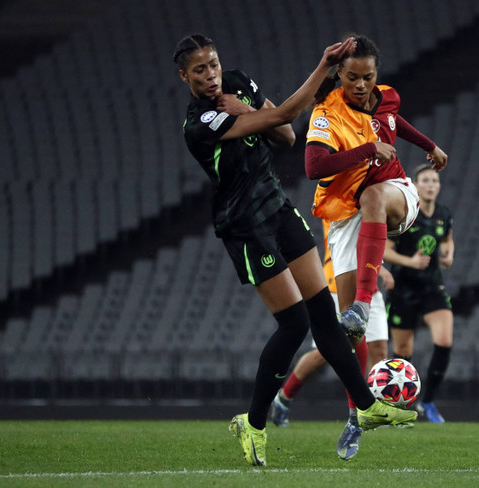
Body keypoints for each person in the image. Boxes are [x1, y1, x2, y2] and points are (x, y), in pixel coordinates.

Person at [173, 34, 416, 467]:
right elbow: (284, 114)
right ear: (184, 77)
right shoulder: (200, 122)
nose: (211, 76)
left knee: (323, 314)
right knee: (294, 323)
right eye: (199, 70)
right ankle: (254, 422)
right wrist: (323, 65)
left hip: (278, 208)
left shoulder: (239, 84)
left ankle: (365, 405)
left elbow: (285, 134)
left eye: (213, 65)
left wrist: (249, 108)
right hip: (245, 224)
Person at [303, 34, 448, 457]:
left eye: (368, 76)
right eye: (351, 77)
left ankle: (363, 304)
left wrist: (428, 146)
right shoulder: (327, 113)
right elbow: (314, 166)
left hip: (395, 193)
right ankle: (356, 415)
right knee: (351, 336)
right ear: (339, 75)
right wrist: (368, 148)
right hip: (344, 217)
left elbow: (394, 121)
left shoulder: (386, 96)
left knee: (372, 197)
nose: (361, 85)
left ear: (376, 74)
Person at [269, 219, 394, 458]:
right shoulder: (340, 196)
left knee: (379, 349)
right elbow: (353, 239)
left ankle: (375, 411)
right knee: (324, 353)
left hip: (369, 287)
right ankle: (283, 398)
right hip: (340, 282)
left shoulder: (368, 194)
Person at [383, 163, 455, 424]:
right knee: (403, 352)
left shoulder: (444, 214)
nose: (430, 185)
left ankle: (428, 401)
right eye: (425, 180)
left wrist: (449, 254)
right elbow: (385, 250)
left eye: (434, 181)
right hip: (404, 288)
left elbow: (447, 238)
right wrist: (409, 262)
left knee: (444, 340)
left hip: (432, 286)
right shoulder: (405, 214)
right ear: (415, 185)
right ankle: (402, 407)